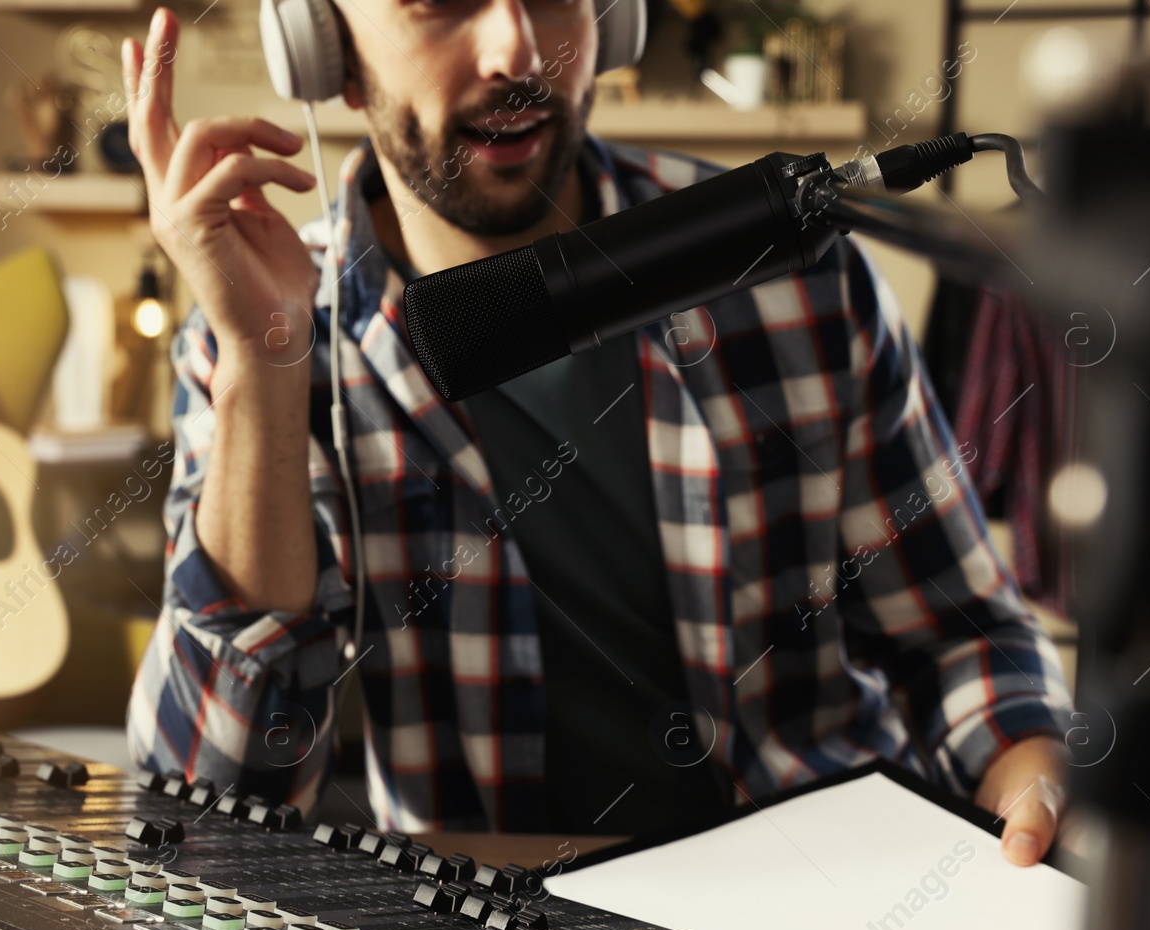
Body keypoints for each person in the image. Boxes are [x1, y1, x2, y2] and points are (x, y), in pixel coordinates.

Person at [121, 3, 1072, 860]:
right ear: (326, 44)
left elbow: (959, 637)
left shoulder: (787, 258)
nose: (517, 47)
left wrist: (1033, 782)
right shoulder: (272, 332)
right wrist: (260, 365)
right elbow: (210, 811)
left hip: (825, 909)